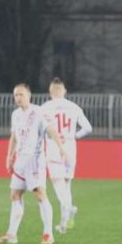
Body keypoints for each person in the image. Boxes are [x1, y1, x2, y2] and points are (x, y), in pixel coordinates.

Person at [0, 83, 65, 244]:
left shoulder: (39, 112)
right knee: (15, 195)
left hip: (34, 160)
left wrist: (61, 147)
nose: (18, 98)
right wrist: (9, 156)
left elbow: (51, 130)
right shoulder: (15, 114)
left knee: (40, 195)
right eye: (16, 95)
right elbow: (14, 137)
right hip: (20, 161)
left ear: (29, 95)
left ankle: (48, 234)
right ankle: (11, 235)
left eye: (21, 94)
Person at [41, 78, 93, 234]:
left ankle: (69, 209)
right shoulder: (74, 107)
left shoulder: (45, 107)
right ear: (64, 91)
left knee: (58, 184)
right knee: (67, 184)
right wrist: (74, 136)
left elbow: (40, 129)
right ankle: (63, 224)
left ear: (50, 92)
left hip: (54, 147)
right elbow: (88, 128)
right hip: (70, 147)